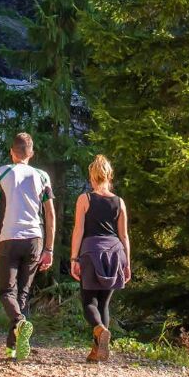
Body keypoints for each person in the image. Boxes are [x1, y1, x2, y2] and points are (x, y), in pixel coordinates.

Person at [0, 132, 55, 361]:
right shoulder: (42, 176)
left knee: (6, 292)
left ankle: (20, 325)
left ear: (12, 152)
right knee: (22, 293)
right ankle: (13, 348)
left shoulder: (2, 172)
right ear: (31, 154)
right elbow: (50, 214)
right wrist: (49, 249)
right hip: (34, 239)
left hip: (9, 237)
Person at [70, 154, 131, 362]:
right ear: (109, 175)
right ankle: (99, 351)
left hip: (91, 251)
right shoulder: (119, 202)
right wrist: (127, 264)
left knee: (88, 301)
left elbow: (78, 230)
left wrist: (73, 258)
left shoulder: (85, 199)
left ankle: (98, 329)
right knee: (104, 303)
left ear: (92, 176)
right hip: (115, 252)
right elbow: (124, 235)